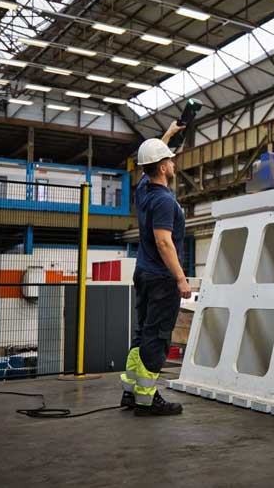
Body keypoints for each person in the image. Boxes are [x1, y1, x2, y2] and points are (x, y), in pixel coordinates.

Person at [120, 121, 191, 416]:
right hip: (162, 278)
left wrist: (169, 134)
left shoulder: (144, 190)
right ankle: (147, 400)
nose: (173, 163)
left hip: (143, 273)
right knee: (157, 337)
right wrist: (181, 278)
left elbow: (150, 158)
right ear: (162, 168)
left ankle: (131, 392)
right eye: (169, 160)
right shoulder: (162, 200)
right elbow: (164, 243)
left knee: (142, 333)